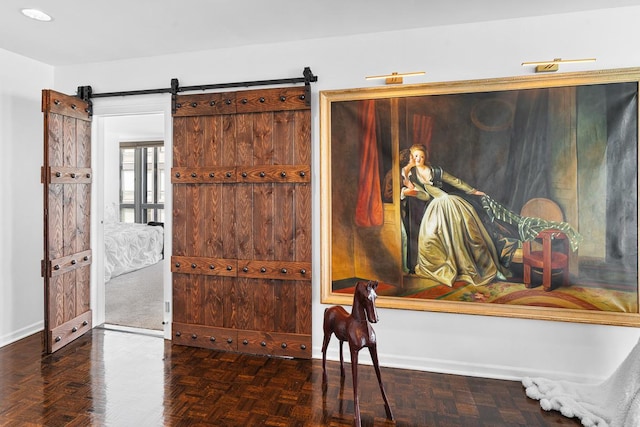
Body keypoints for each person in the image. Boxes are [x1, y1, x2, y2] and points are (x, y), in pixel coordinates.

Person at [401, 144, 507, 287]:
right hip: (435, 208)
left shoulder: (436, 171)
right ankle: (442, 267)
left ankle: (487, 268)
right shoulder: (412, 177)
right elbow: (425, 196)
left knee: (470, 234)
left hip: (450, 203)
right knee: (429, 239)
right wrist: (413, 191)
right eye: (415, 156)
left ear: (425, 157)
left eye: (421, 156)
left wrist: (472, 191)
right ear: (411, 158)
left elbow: (455, 181)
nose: (418, 159)